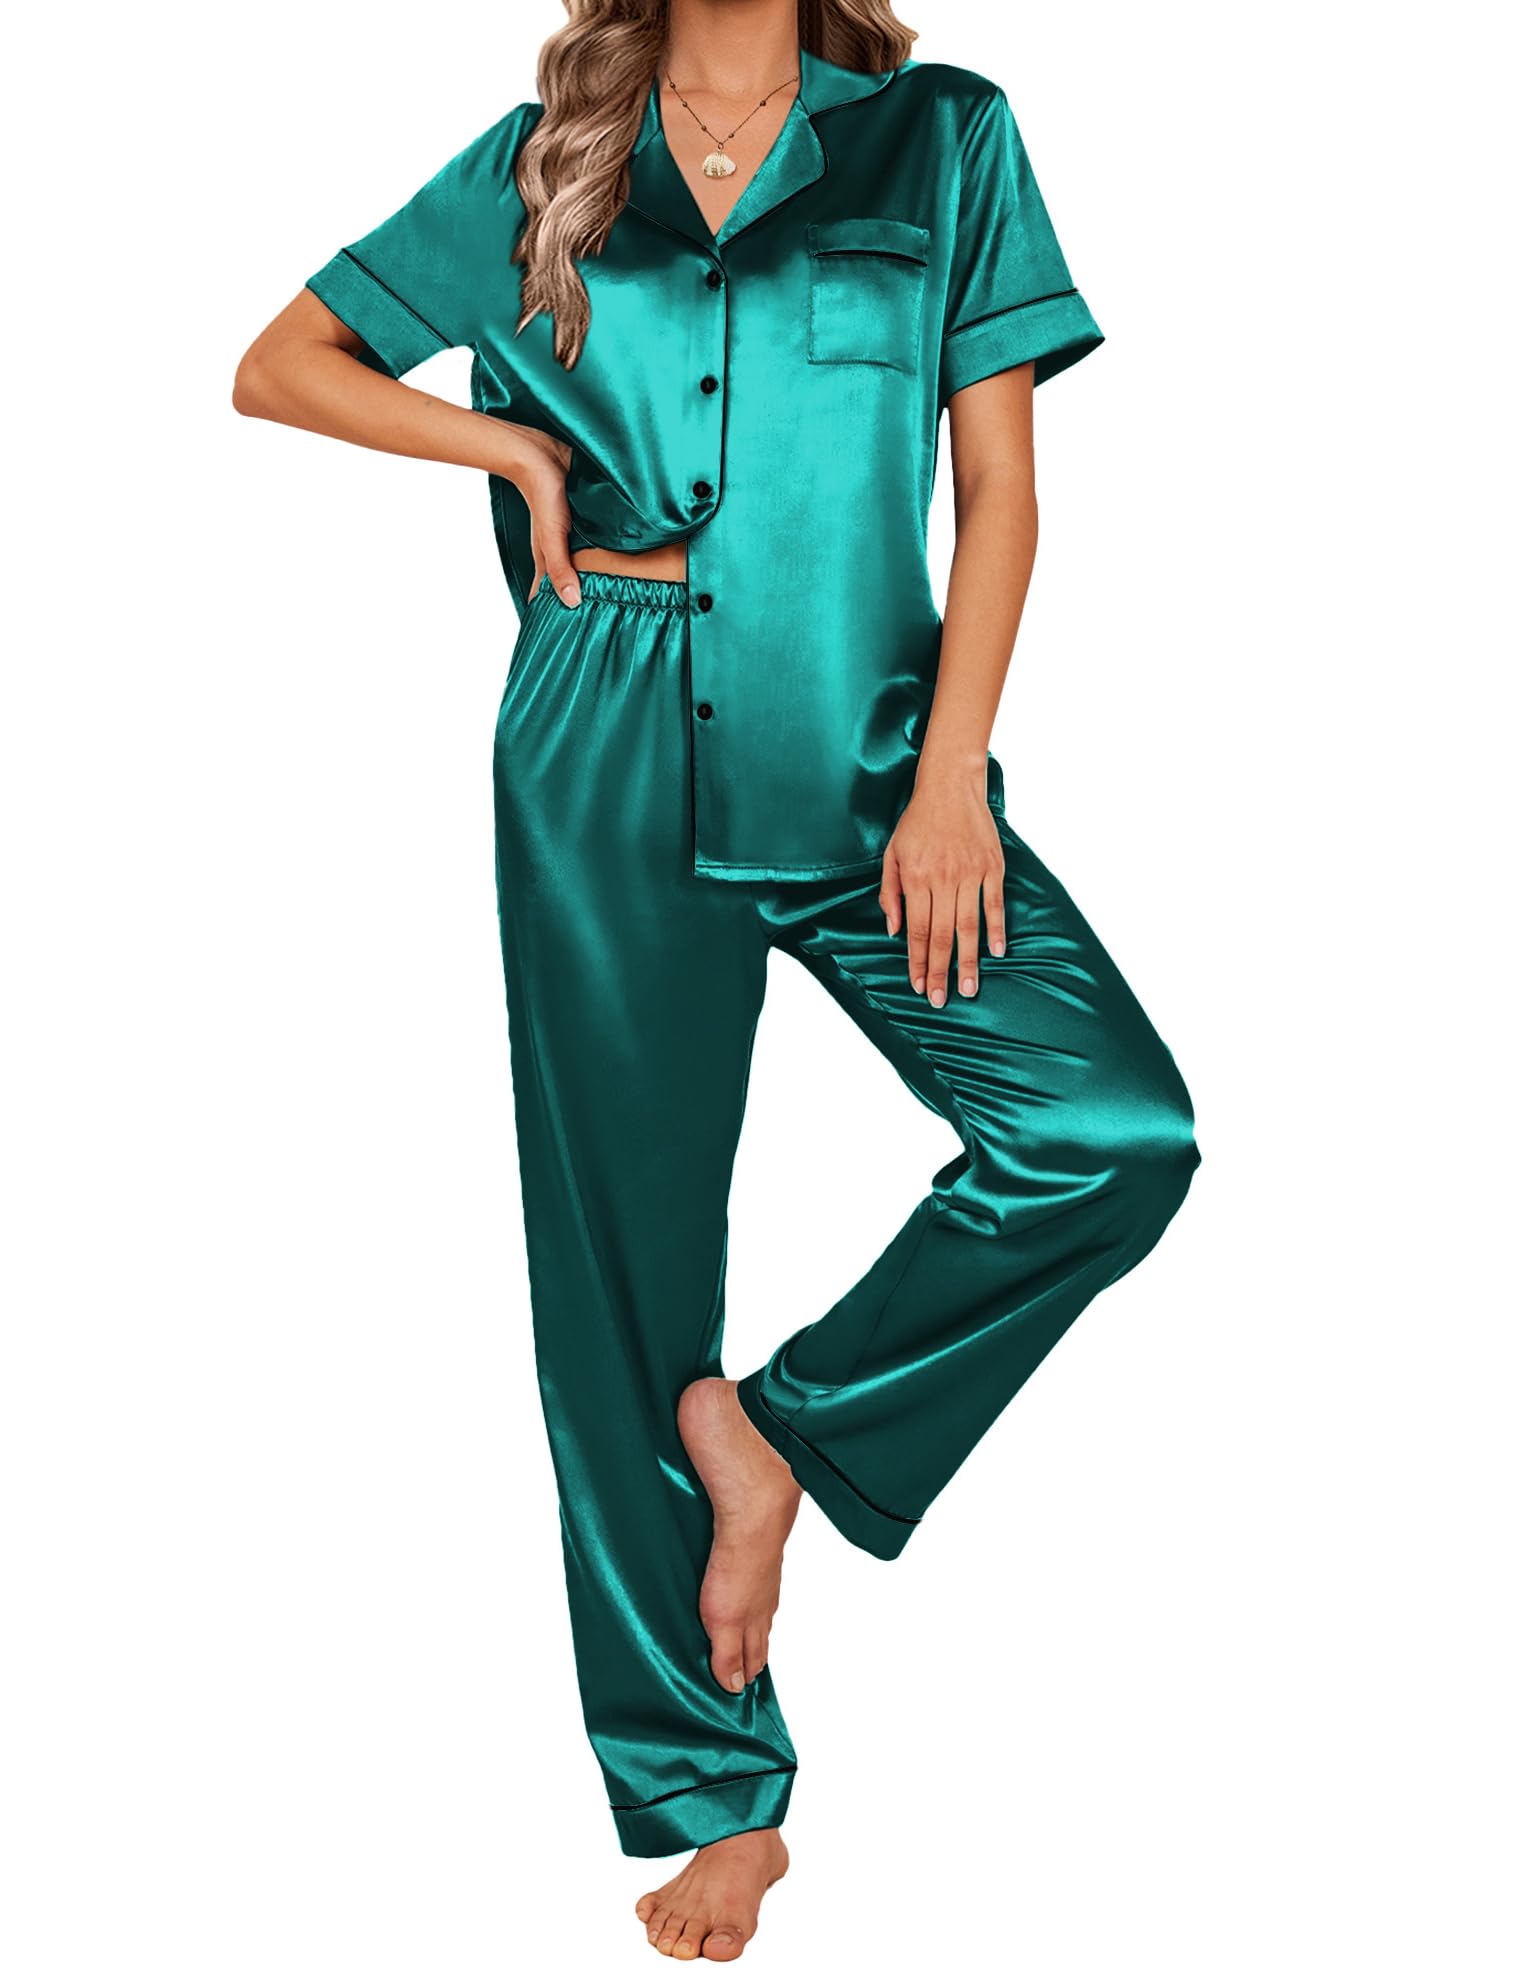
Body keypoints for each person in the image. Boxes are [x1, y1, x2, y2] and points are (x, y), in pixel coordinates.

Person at [234, 0, 1201, 1959]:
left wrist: (951, 781)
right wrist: (503, 443)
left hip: (863, 756)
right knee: (619, 1281)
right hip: (601, 727)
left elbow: (1000, 488)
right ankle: (712, 1800)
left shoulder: (942, 138)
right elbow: (279, 365)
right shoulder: (543, 159)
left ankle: (787, 1430)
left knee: (1106, 1133)